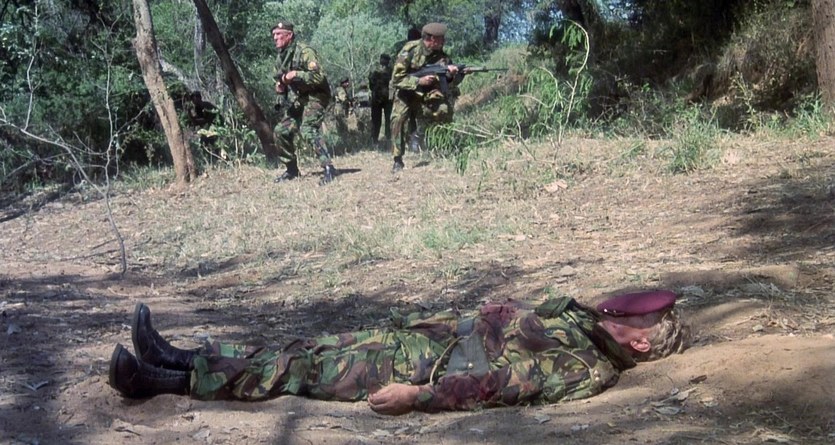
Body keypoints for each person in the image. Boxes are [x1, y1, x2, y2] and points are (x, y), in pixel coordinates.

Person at [108, 290, 690, 415]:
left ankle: (159, 381)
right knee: (301, 348)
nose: (622, 308)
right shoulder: (584, 323)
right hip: (424, 336)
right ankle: (180, 355)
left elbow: (498, 386)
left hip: (419, 366)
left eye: (636, 315)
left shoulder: (584, 366)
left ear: (639, 342)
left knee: (297, 369)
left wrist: (417, 396)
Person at [389, 23, 463, 173]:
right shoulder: (410, 50)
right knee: (398, 119)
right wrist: (419, 81)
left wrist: (454, 75)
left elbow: (450, 83)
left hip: (427, 93)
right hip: (406, 92)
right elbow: (396, 79)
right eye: (441, 39)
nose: (443, 41)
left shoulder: (442, 56)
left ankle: (441, 145)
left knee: (443, 110)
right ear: (431, 39)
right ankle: (397, 159)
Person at [271, 21, 337, 185]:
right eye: (274, 35)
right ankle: (292, 170)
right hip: (302, 98)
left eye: (279, 34)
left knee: (308, 129)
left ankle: (328, 168)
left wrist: (295, 74)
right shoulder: (281, 58)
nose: (275, 38)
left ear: (289, 35)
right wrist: (280, 89)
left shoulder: (305, 51)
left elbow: (319, 77)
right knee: (280, 131)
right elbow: (280, 81)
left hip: (318, 95)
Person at [368, 53, 393, 147]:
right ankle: (380, 140)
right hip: (382, 99)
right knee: (379, 120)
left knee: (383, 120)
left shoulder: (374, 71)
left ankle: (378, 140)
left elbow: (371, 85)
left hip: (382, 99)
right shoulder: (390, 71)